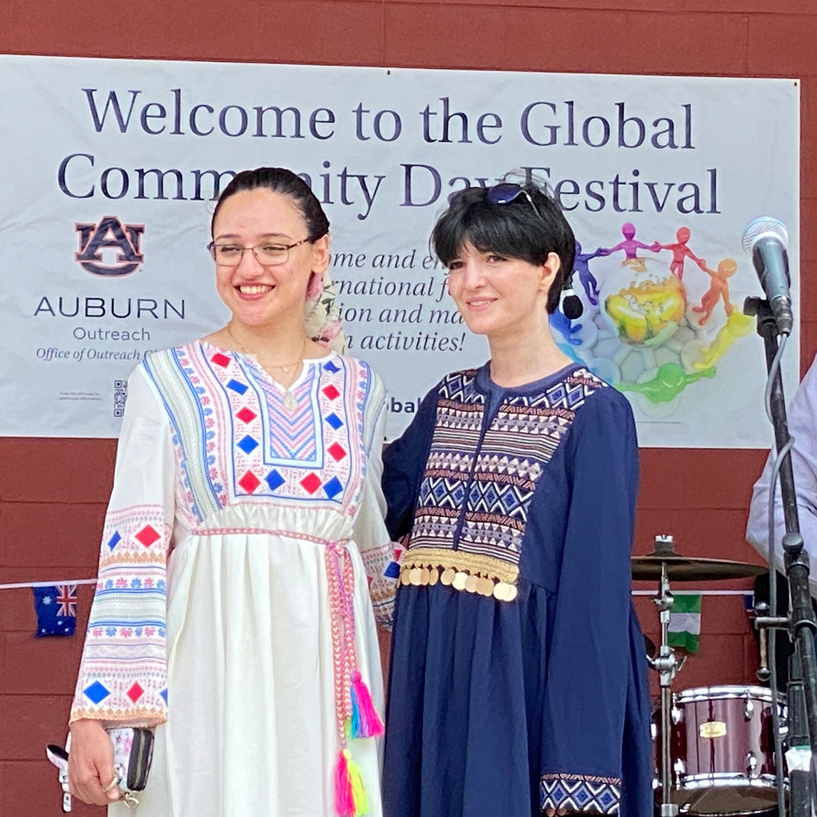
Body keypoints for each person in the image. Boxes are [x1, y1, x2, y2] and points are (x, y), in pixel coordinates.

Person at [67, 167, 395, 817]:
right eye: (229, 247)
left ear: (317, 253)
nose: (250, 266)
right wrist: (95, 713)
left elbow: (375, 550)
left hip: (326, 684)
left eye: (274, 246)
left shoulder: (361, 391)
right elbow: (132, 552)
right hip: (207, 679)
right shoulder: (166, 382)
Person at [380, 181, 652, 817]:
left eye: (494, 259)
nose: (470, 280)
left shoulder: (596, 414)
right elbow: (364, 505)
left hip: (525, 714)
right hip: (434, 700)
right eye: (457, 264)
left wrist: (577, 776)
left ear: (547, 269)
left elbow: (594, 606)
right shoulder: (446, 402)